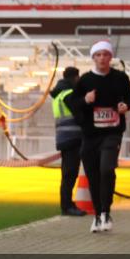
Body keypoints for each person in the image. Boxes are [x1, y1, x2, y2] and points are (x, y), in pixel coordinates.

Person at [68, 41, 130, 233]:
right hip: (90, 134)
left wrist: (125, 106)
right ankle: (98, 215)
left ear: (111, 57)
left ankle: (106, 211)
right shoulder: (85, 80)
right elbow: (73, 103)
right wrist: (85, 100)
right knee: (93, 174)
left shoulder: (120, 78)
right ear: (93, 58)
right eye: (98, 55)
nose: (102, 58)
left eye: (106, 54)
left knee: (106, 169)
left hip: (112, 132)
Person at [50, 67, 86, 216]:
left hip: (64, 137)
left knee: (67, 173)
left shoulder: (59, 94)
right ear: (75, 78)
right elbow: (80, 115)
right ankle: (67, 206)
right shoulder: (69, 94)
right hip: (73, 138)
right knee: (70, 174)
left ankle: (67, 204)